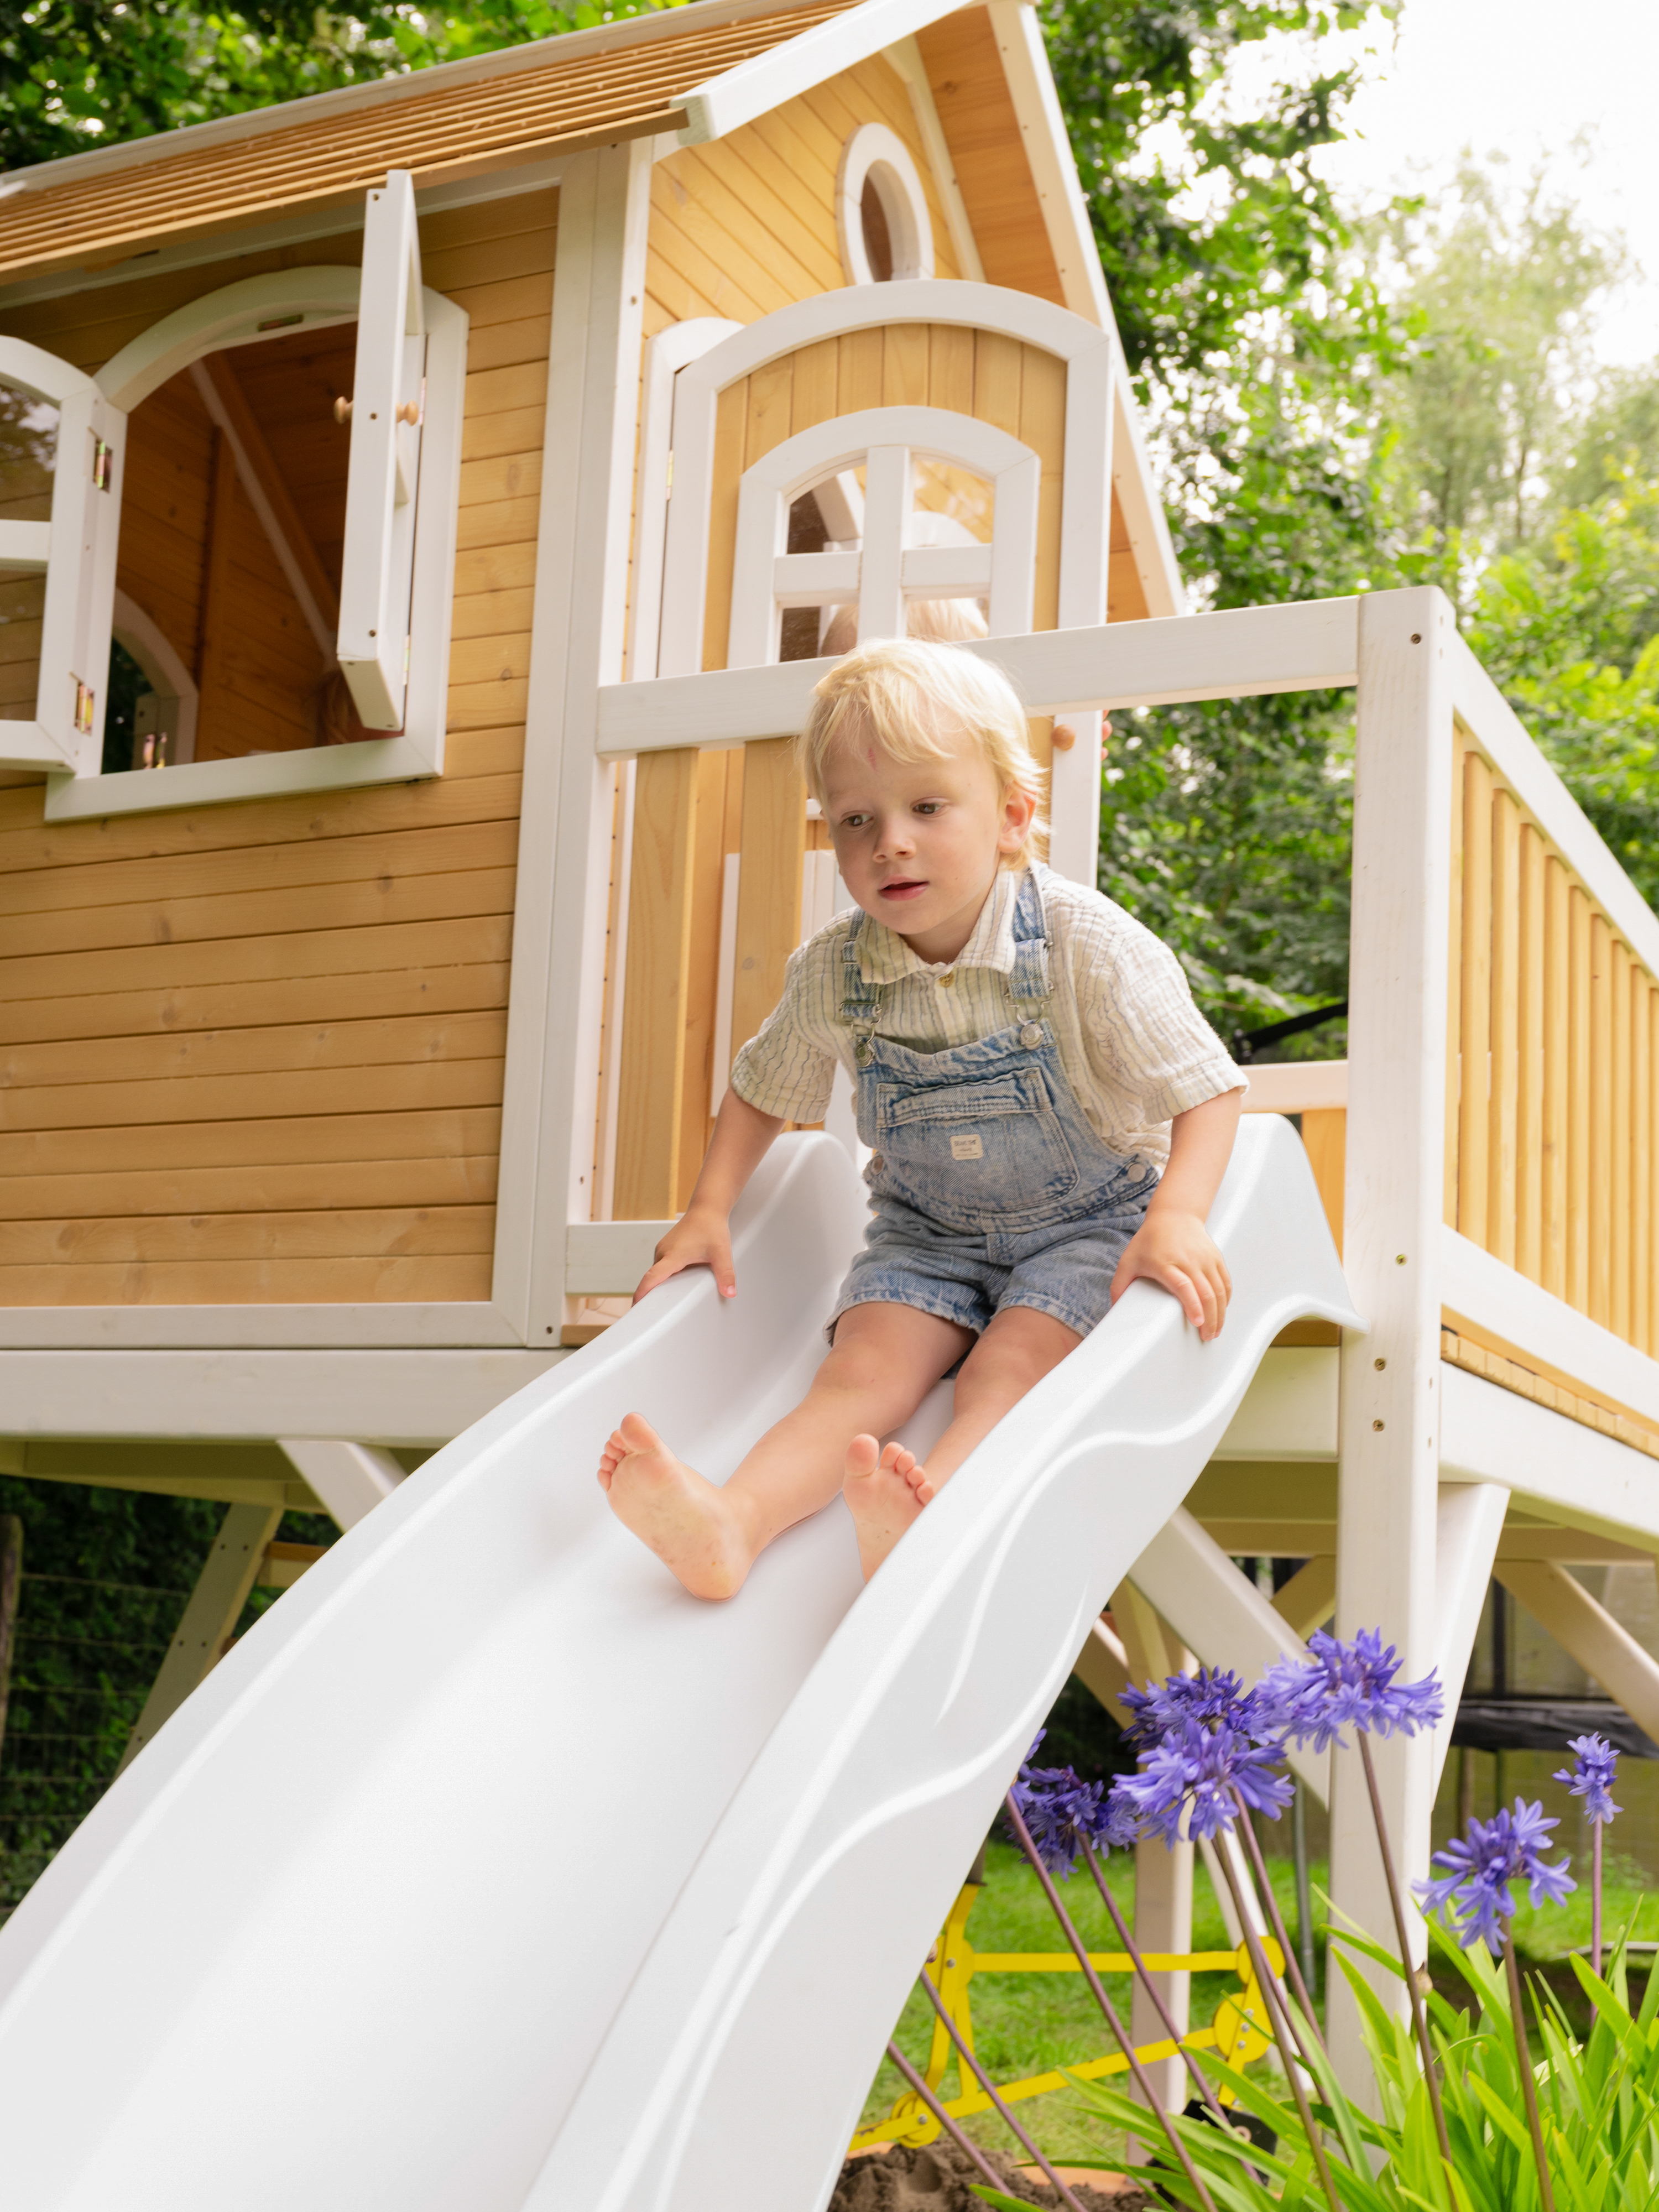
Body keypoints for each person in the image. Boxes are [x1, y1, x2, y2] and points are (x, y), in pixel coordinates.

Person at [598, 637, 1246, 1598]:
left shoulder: (1086, 944)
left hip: (1089, 1224)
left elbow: (1208, 1086)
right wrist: (707, 1211)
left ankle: (928, 1516)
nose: (888, 841)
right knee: (860, 1376)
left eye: (927, 808)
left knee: (1011, 1362)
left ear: (1014, 819)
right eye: (857, 819)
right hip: (928, 1236)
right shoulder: (834, 969)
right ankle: (733, 1524)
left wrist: (1177, 1216)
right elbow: (763, 1088)